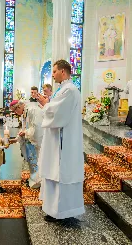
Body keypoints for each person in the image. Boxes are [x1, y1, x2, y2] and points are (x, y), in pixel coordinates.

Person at [36, 59, 85, 222]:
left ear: (63, 71)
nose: (53, 75)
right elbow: (55, 109)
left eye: (54, 72)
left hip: (63, 142)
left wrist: (45, 104)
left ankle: (62, 212)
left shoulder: (69, 90)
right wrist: (47, 105)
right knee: (53, 174)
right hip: (57, 138)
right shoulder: (63, 89)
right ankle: (53, 210)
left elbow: (58, 114)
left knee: (61, 175)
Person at [9, 99, 43, 189]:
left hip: (36, 141)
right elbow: (24, 127)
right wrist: (17, 138)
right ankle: (34, 179)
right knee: (32, 160)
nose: (16, 113)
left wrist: (25, 132)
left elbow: (38, 128)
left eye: (15, 111)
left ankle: (38, 181)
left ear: (19, 107)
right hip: (30, 140)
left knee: (37, 160)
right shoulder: (25, 111)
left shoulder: (32, 110)